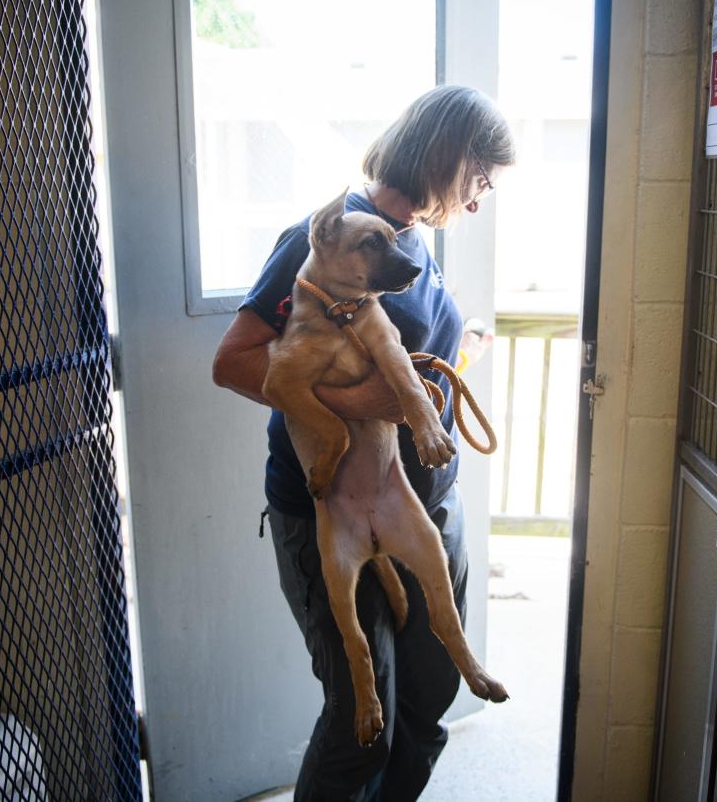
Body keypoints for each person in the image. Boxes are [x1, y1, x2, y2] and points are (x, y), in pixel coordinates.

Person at [212, 84, 514, 801]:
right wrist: (363, 403)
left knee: (428, 701)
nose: (478, 200)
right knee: (361, 717)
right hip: (333, 505)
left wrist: (459, 349)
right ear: (445, 157)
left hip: (424, 501)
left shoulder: (415, 246)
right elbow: (235, 361)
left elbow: (407, 353)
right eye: (478, 179)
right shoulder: (328, 240)